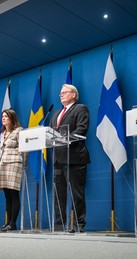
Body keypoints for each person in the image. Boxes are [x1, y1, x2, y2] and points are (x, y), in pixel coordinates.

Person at [49, 84, 90, 233]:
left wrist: (64, 139)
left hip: (74, 157)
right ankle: (59, 226)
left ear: (74, 94)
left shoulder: (81, 109)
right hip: (58, 160)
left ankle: (78, 225)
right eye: (60, 93)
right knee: (58, 194)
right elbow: (50, 133)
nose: (61, 95)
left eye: (64, 92)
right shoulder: (55, 114)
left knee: (76, 193)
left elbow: (81, 129)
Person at [0, 109, 24, 232]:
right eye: (2, 116)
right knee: (7, 196)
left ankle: (13, 223)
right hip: (3, 164)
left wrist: (23, 163)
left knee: (14, 194)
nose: (3, 118)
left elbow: (24, 148)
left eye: (6, 116)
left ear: (12, 118)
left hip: (14, 163)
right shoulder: (2, 133)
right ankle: (8, 222)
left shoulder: (19, 131)